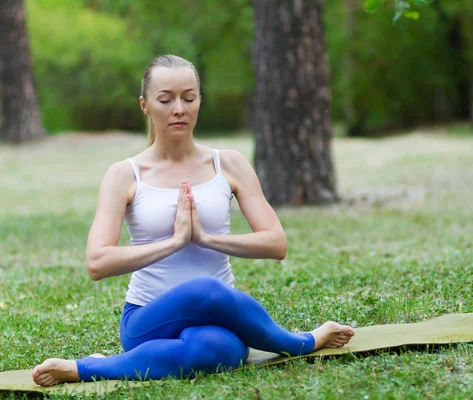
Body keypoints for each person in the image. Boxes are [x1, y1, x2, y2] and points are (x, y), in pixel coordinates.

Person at [31, 55, 354, 387]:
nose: (179, 109)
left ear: (200, 101)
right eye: (166, 99)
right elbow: (97, 262)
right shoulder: (125, 174)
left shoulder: (228, 164)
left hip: (217, 321)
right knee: (205, 289)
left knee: (218, 351)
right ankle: (304, 342)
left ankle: (104, 365)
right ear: (145, 105)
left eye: (189, 97)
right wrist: (173, 242)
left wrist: (206, 238)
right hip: (147, 320)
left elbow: (276, 243)